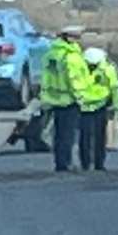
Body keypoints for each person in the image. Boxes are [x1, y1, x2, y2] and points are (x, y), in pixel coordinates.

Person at [40, 25, 94, 173]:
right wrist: (82, 98)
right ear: (69, 38)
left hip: (54, 99)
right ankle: (66, 163)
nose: (78, 41)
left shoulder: (51, 54)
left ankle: (60, 162)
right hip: (70, 99)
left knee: (59, 134)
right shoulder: (72, 57)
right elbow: (75, 81)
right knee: (68, 135)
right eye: (76, 38)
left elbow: (45, 78)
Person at [78, 46, 118, 172]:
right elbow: (115, 88)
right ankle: (90, 163)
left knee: (96, 136)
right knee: (89, 137)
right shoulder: (104, 68)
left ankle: (96, 163)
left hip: (98, 106)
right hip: (87, 106)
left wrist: (116, 106)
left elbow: (114, 87)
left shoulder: (106, 69)